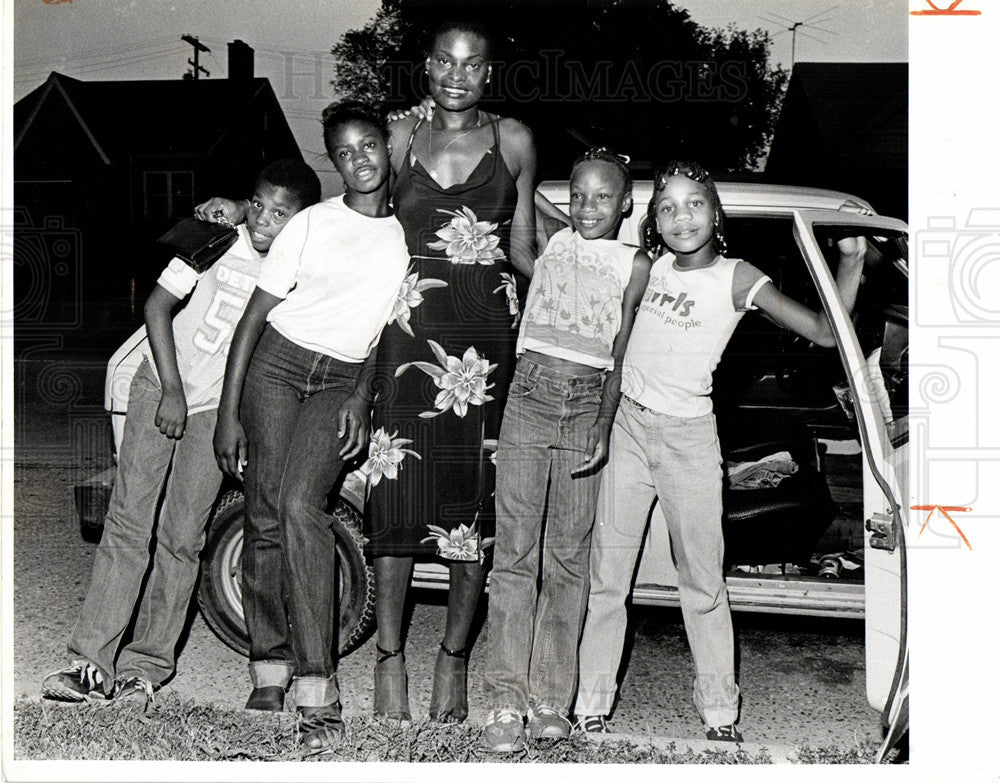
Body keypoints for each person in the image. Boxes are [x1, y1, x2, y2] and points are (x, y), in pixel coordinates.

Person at [572, 161, 868, 742]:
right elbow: (559, 222)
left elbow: (825, 332)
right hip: (627, 429)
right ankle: (591, 703)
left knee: (703, 584)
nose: (682, 216)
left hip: (687, 440)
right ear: (652, 223)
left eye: (694, 204)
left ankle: (718, 713)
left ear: (716, 214)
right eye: (668, 207)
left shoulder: (737, 276)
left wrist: (851, 262)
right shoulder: (646, 265)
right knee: (607, 579)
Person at [40, 160, 320, 706]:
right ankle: (89, 661)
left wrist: (228, 417)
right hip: (160, 384)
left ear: (300, 220)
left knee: (183, 538)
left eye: (280, 212)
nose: (263, 219)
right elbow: (157, 307)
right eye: (257, 203)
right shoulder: (213, 238)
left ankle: (145, 666)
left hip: (213, 410)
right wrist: (171, 389)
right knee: (128, 523)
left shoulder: (295, 270)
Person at [212, 101, 409, 751]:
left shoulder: (406, 233)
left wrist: (360, 394)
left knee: (303, 503)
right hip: (277, 365)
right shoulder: (311, 224)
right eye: (345, 150)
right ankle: (269, 665)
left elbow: (388, 330)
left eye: (368, 144)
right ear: (335, 160)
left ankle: (318, 682)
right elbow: (252, 321)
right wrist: (226, 413)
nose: (359, 159)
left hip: (340, 379)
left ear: (388, 145)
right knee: (264, 509)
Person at [360, 19, 538, 727]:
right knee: (396, 501)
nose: (456, 75)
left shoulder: (514, 140)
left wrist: (594, 288)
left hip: (485, 341)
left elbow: (524, 244)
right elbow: (362, 231)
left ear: (488, 74)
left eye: (472, 64)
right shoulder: (398, 137)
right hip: (406, 336)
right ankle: (390, 657)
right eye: (444, 61)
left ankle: (454, 658)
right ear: (426, 66)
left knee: (472, 504)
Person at [480, 149, 651, 751]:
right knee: (515, 555)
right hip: (528, 396)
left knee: (567, 561)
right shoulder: (551, 247)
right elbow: (522, 228)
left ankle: (552, 698)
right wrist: (522, 168)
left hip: (585, 404)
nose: (588, 207)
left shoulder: (637, 263)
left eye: (603, 197)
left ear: (626, 204)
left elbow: (623, 348)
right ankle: (505, 699)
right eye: (578, 195)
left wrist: (605, 422)